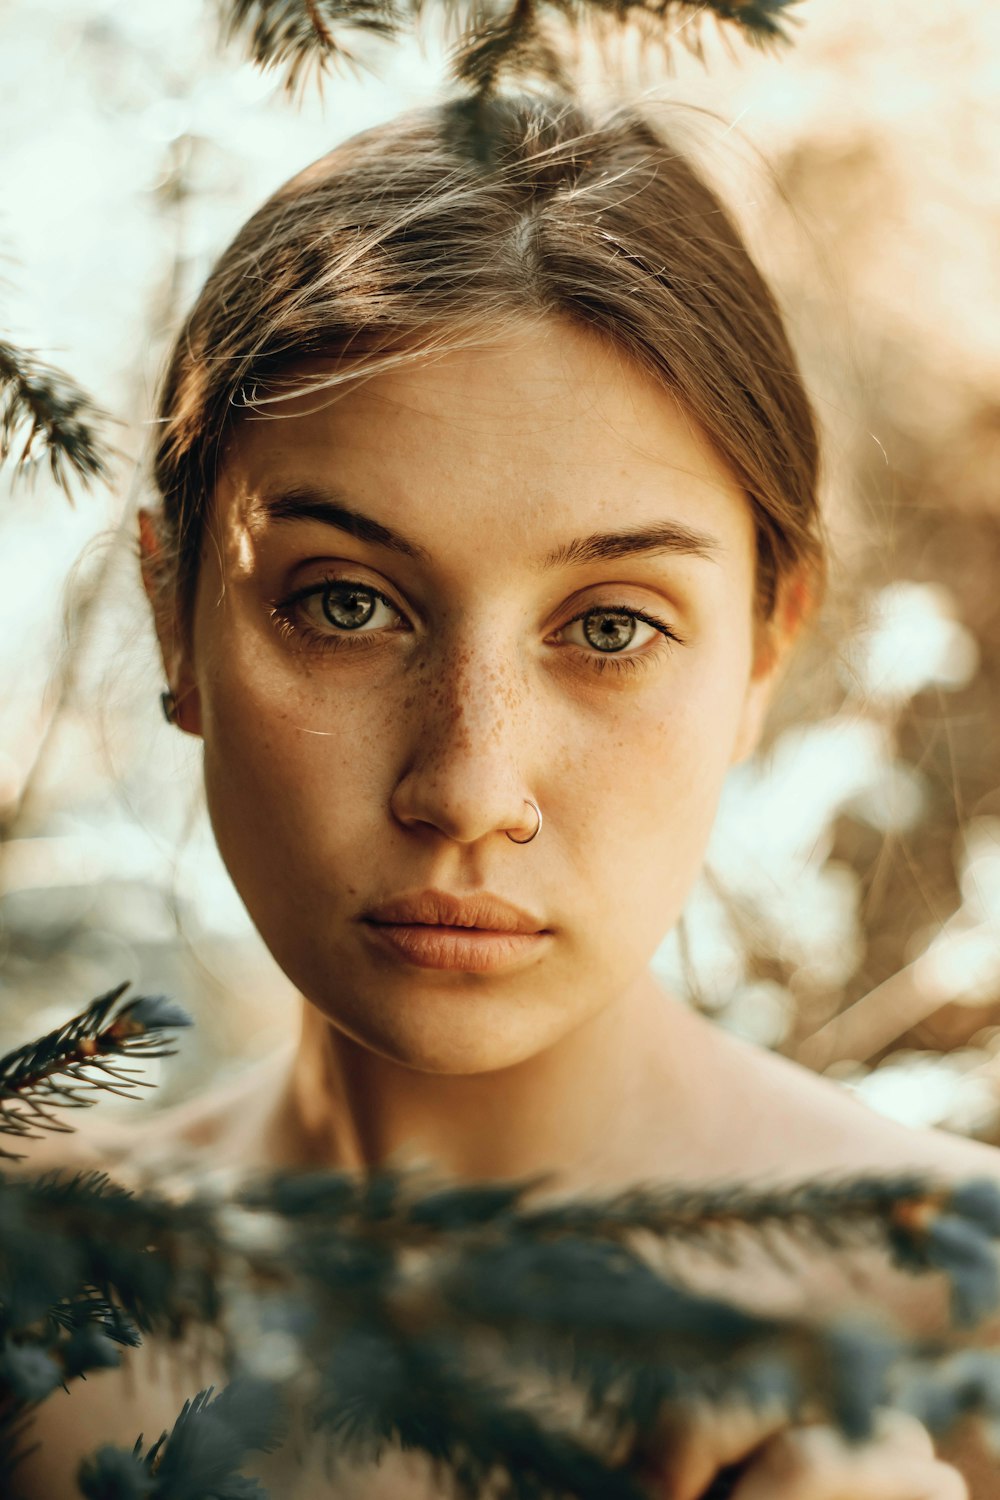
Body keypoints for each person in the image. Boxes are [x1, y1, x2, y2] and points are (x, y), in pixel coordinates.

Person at [12, 93, 998, 1499]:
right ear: (175, 617)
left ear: (766, 655)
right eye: (347, 603)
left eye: (609, 628)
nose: (469, 788)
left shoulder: (969, 1334)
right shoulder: (27, 1305)